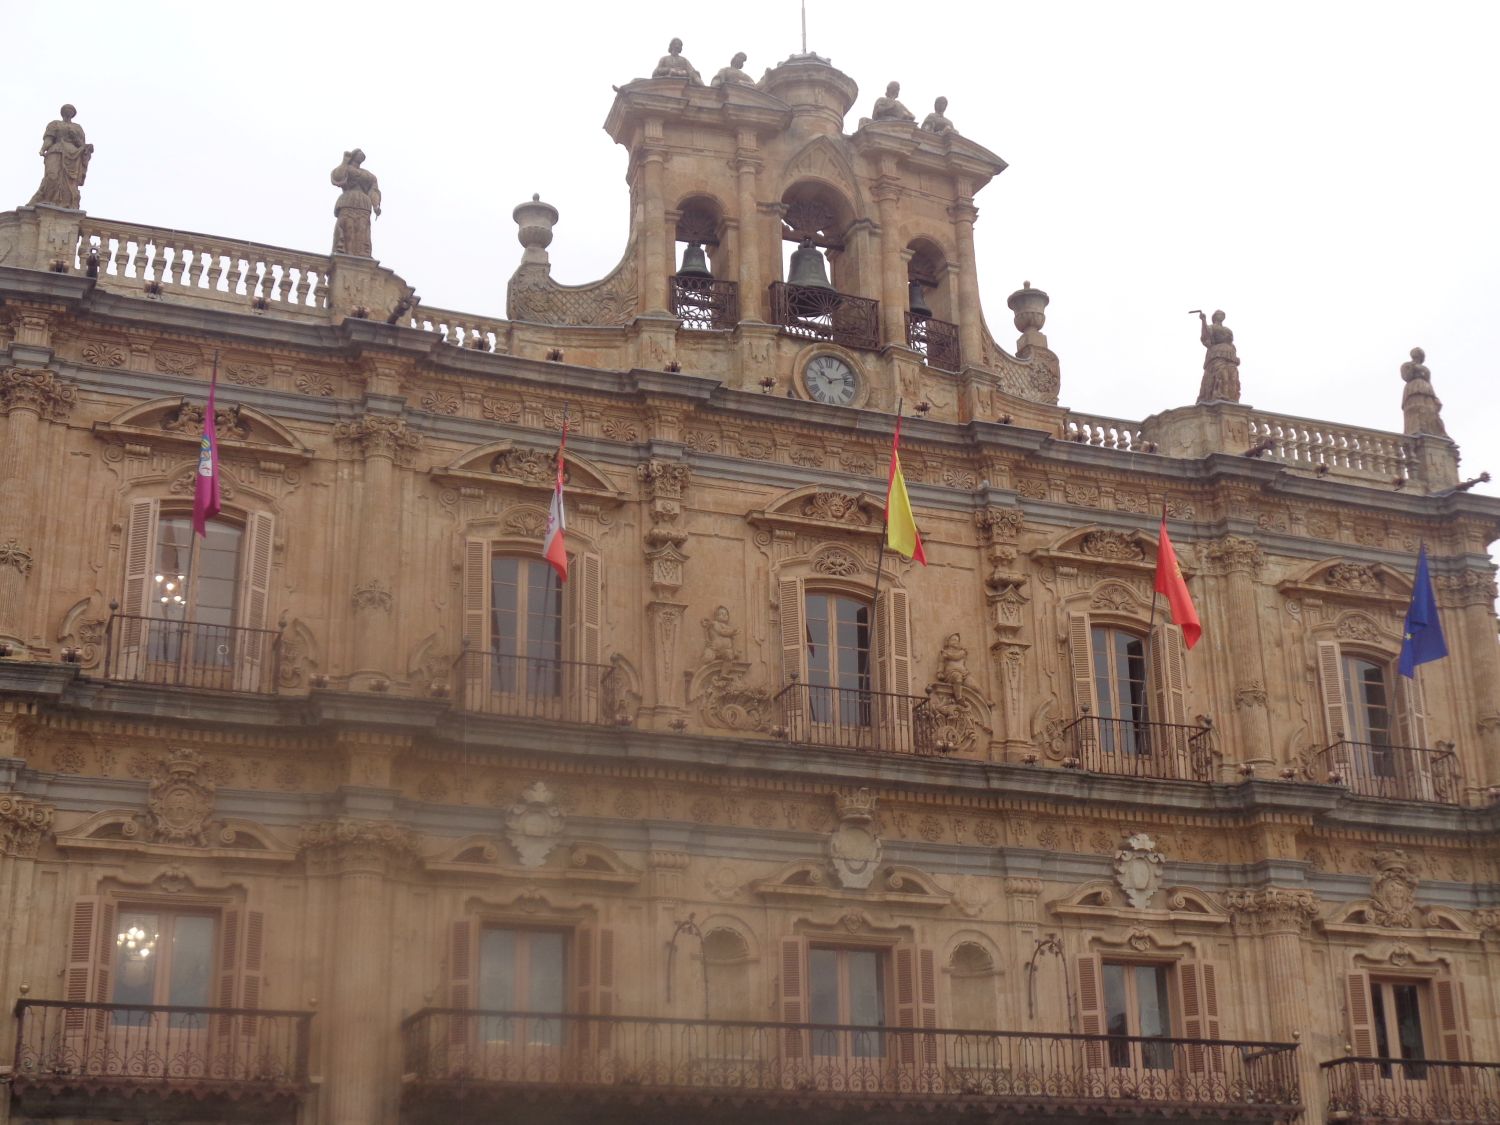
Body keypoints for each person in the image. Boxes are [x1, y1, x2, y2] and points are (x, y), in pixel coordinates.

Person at [29, 104, 93, 210]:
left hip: (73, 154)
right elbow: (49, 139)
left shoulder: (78, 127)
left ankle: (67, 204)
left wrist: (76, 138)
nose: (69, 111)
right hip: (56, 150)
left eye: (71, 110)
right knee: (52, 175)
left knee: (69, 182)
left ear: (73, 113)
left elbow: (81, 145)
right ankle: (48, 200)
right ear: (62, 112)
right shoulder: (54, 124)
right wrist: (43, 149)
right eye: (66, 109)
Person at [330, 149, 382, 258]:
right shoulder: (346, 169)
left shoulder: (369, 175)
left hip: (363, 203)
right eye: (359, 153)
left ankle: (362, 254)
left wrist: (376, 205)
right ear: (353, 156)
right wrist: (345, 161)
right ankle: (346, 253)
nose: (361, 155)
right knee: (347, 228)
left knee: (362, 229)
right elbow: (337, 177)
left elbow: (374, 191)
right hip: (348, 200)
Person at [1195, 309, 1241, 403]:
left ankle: (1231, 397)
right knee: (1221, 373)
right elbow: (1206, 337)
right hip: (1216, 353)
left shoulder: (1228, 330)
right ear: (1214, 317)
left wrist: (1235, 355)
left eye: (1222, 314)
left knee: (1233, 375)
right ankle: (1219, 395)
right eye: (1219, 314)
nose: (1221, 316)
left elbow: (1231, 343)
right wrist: (1203, 321)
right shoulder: (1211, 327)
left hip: (1230, 354)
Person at [1400, 347, 1446, 436]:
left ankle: (1434, 433)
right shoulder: (1406, 365)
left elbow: (1429, 381)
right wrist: (1413, 367)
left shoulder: (1426, 369)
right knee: (1416, 410)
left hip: (1427, 390)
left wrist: (1435, 398)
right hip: (1413, 389)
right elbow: (1406, 377)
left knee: (1431, 412)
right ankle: (1416, 431)